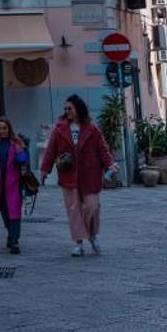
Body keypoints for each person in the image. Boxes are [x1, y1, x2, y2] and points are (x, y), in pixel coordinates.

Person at [38, 94, 116, 257]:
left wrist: (110, 164)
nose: (67, 111)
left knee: (92, 207)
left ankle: (92, 234)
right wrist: (45, 169)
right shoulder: (59, 129)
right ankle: (78, 242)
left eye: (70, 108)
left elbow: (102, 149)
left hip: (90, 174)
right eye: (65, 109)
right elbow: (51, 150)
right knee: (73, 210)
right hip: (69, 175)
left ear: (78, 109)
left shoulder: (92, 129)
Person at [0, 116, 29, 253]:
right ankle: (10, 234)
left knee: (14, 212)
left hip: (13, 184)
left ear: (9, 129)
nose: (2, 131)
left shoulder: (15, 143)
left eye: (4, 128)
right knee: (4, 211)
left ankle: (14, 240)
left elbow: (23, 160)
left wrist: (22, 151)